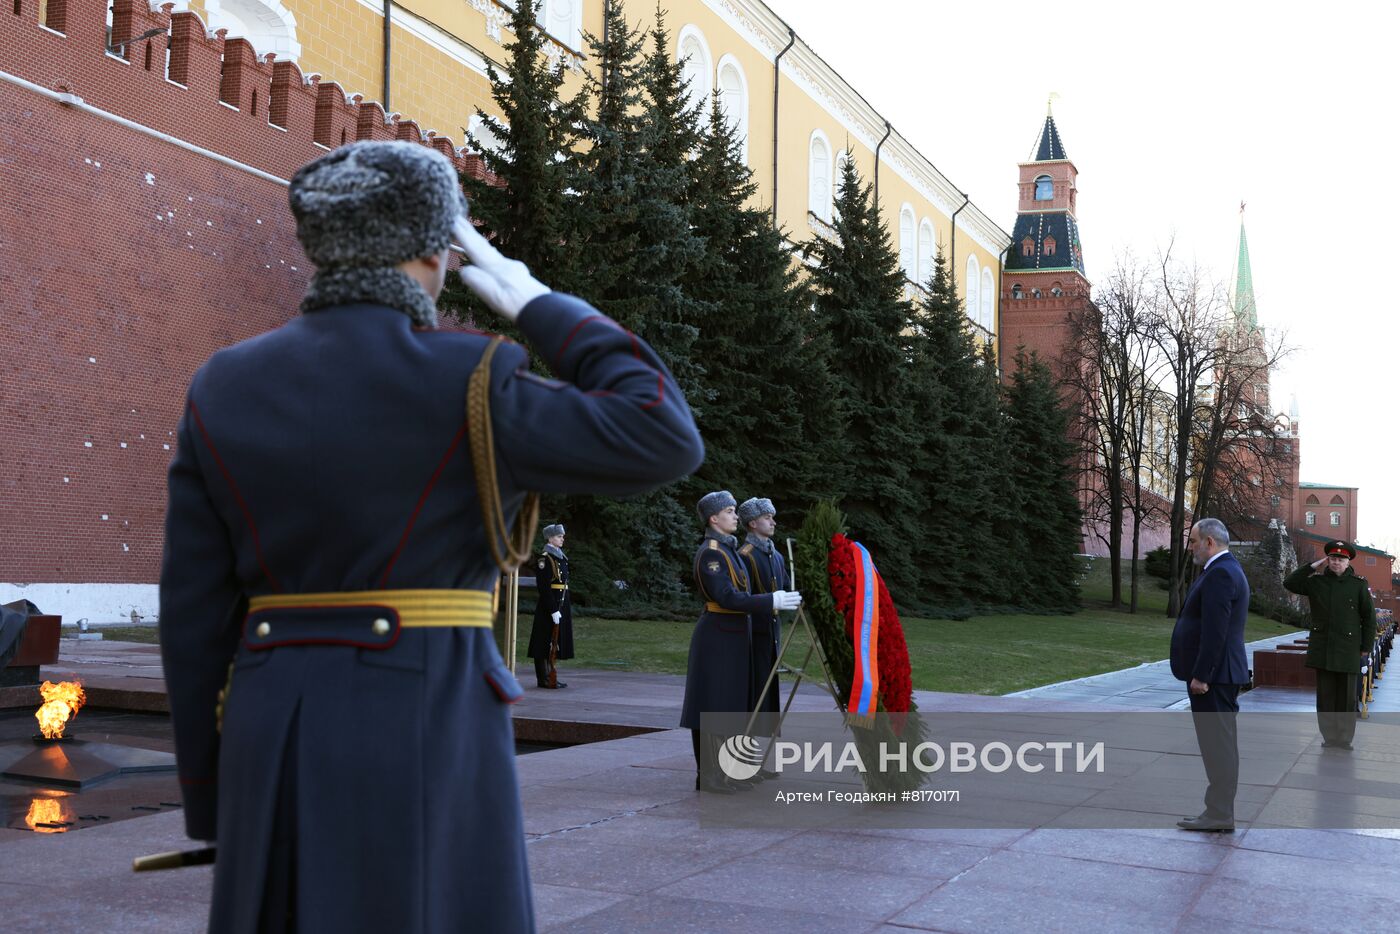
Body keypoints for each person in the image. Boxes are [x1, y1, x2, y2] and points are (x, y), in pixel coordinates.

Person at [158, 140, 703, 933]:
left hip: (269, 730)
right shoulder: (476, 377)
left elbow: (194, 614)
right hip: (426, 709)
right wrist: (539, 303)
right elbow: (662, 434)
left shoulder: (224, 382)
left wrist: (212, 799)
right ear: (436, 244)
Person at [680, 492, 800, 793]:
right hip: (718, 634)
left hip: (733, 634)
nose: (736, 516)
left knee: (730, 704)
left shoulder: (728, 549)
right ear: (713, 518)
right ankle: (708, 776)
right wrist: (770, 599)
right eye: (730, 511)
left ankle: (726, 771)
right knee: (713, 704)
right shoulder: (711, 553)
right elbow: (728, 597)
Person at [1169, 517, 1250, 833]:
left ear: (1209, 543)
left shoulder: (1220, 574)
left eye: (1193, 542)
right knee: (1220, 745)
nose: (1190, 548)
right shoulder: (1225, 570)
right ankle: (1217, 811)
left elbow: (1216, 631)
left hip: (1214, 678)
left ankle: (1219, 814)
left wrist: (1202, 675)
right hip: (1221, 674)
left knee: (1218, 746)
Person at [1283, 540, 1377, 750]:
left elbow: (1369, 618)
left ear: (1348, 562)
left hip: (1348, 648)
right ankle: (1329, 737)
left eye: (1341, 559)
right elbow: (1289, 583)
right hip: (1323, 646)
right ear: (1328, 560)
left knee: (1346, 697)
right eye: (1333, 559)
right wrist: (1312, 566)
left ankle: (1344, 739)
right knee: (1325, 696)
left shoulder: (1358, 585)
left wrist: (1366, 646)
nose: (1336, 563)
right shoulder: (1316, 582)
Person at [737, 497, 788, 723]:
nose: (773, 522)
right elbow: (743, 597)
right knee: (755, 684)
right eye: (767, 518)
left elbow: (785, 588)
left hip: (772, 631)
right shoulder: (745, 555)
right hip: (753, 632)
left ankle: (763, 729)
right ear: (752, 524)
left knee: (769, 683)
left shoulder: (775, 555)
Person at [528, 524, 572, 689]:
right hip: (549, 605)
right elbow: (544, 587)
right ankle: (544, 678)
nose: (562, 539)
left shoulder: (560, 557)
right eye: (559, 536)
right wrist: (553, 609)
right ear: (550, 538)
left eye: (562, 536)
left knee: (553, 642)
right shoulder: (544, 558)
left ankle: (550, 676)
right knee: (543, 641)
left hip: (560, 603)